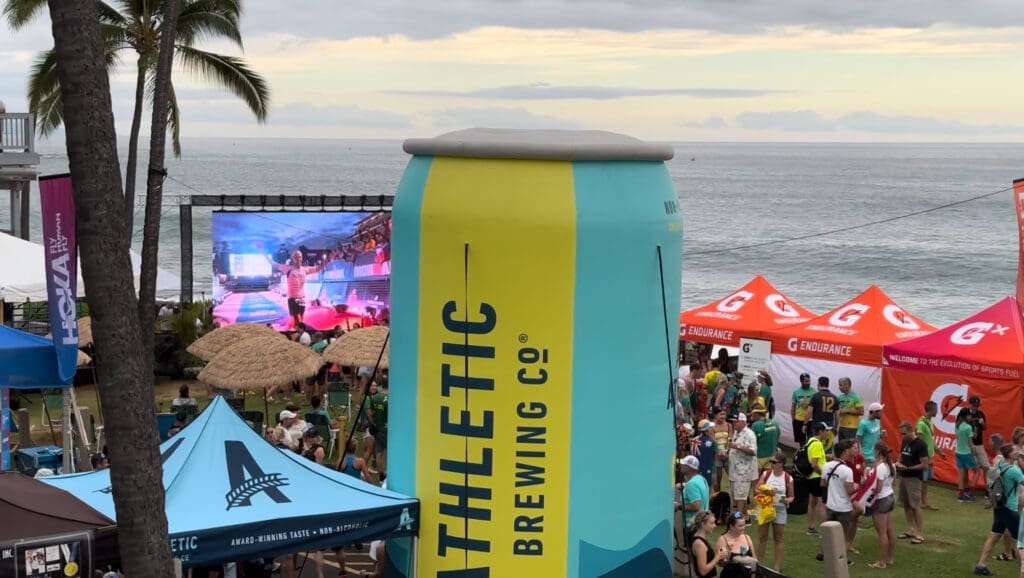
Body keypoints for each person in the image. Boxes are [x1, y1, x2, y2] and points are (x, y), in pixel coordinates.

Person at [974, 444, 1024, 576]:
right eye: (1015, 451)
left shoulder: (999, 465)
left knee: (994, 536)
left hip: (999, 507)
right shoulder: (1014, 470)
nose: (1018, 452)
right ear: (1009, 455)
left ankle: (981, 565)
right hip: (1010, 509)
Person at [270, 249, 339, 330]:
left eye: (300, 256)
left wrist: (329, 259)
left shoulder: (305, 269)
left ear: (302, 258)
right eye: (296, 257)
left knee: (302, 319)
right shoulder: (288, 269)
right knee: (296, 320)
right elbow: (273, 264)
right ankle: (295, 333)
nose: (298, 258)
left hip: (302, 298)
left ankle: (302, 334)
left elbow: (319, 268)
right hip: (292, 299)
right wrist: (262, 251)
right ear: (293, 259)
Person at [816, 439, 856, 564]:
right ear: (844, 452)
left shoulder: (827, 466)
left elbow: (822, 483)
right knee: (842, 534)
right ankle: (841, 558)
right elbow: (850, 491)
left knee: (828, 531)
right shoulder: (847, 470)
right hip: (843, 506)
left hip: (830, 504)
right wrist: (858, 486)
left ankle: (822, 552)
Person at [755, 451, 794, 571]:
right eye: (771, 461)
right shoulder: (766, 474)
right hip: (765, 508)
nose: (771, 463)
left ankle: (776, 568)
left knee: (778, 538)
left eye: (774, 462)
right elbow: (756, 490)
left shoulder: (788, 478)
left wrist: (787, 501)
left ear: (781, 464)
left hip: (780, 509)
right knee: (762, 537)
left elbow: (792, 496)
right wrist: (767, 492)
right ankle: (759, 565)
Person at [896, 420, 929, 544]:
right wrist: (898, 463)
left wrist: (909, 468)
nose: (902, 437)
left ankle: (920, 533)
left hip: (914, 479)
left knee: (915, 505)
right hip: (904, 477)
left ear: (911, 431)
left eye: (904, 434)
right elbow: (901, 454)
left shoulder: (920, 444)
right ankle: (911, 529)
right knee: (906, 504)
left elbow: (925, 465)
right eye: (901, 434)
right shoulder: (905, 441)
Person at [869, 440, 897, 569]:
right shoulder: (890, 465)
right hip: (891, 497)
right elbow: (893, 482)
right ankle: (889, 558)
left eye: (874, 450)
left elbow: (878, 489)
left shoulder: (880, 468)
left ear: (878, 451)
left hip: (881, 499)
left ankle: (881, 562)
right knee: (889, 530)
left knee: (882, 533)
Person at [727, 413, 758, 516]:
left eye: (735, 421)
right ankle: (745, 518)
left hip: (743, 471)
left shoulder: (749, 434)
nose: (733, 423)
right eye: (733, 421)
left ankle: (738, 518)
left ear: (743, 422)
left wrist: (738, 446)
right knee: (737, 496)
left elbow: (753, 451)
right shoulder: (736, 433)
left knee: (740, 497)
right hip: (734, 470)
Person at [917, 400, 945, 510]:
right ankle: (919, 501)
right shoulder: (921, 423)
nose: (938, 411)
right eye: (936, 409)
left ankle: (924, 501)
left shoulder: (930, 422)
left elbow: (931, 440)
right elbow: (920, 443)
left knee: (925, 480)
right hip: (925, 457)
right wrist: (926, 458)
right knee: (921, 480)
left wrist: (939, 451)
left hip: (930, 456)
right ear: (931, 409)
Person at [805, 422, 830, 535]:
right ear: (820, 431)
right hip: (817, 477)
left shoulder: (810, 441)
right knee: (822, 503)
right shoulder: (817, 444)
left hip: (811, 477)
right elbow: (814, 464)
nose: (827, 433)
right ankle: (824, 530)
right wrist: (823, 474)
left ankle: (810, 527)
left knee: (812, 502)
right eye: (826, 431)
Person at [963, 395, 991, 493]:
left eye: (977, 405)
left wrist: (982, 423)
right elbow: (960, 427)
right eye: (974, 405)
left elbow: (985, 428)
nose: (976, 407)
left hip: (979, 444)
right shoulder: (964, 413)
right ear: (969, 404)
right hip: (969, 444)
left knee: (986, 466)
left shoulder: (980, 414)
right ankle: (968, 490)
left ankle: (988, 489)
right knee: (974, 469)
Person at [716, 511, 757, 577]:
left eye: (744, 525)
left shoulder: (747, 538)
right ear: (731, 526)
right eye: (740, 526)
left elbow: (754, 558)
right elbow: (720, 564)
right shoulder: (723, 540)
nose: (743, 527)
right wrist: (728, 553)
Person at [690, 510, 727, 578]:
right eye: (712, 523)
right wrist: (718, 557)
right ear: (703, 524)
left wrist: (720, 558)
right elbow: (703, 571)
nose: (715, 526)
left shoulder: (701, 539)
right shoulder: (699, 544)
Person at [678, 455, 711, 528]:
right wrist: (684, 485)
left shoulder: (691, 484)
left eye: (683, 464)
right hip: (702, 522)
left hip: (692, 524)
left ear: (689, 468)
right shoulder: (701, 479)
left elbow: (696, 506)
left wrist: (678, 506)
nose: (681, 465)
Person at [806, 376, 839, 442]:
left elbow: (809, 412)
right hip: (829, 427)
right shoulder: (835, 397)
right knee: (827, 448)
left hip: (817, 427)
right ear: (828, 385)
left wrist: (805, 424)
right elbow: (837, 415)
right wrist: (835, 426)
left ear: (819, 384)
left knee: (814, 446)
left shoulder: (815, 396)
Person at [956, 410, 979, 502]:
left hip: (958, 452)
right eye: (969, 415)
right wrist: (974, 452)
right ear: (966, 416)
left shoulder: (959, 426)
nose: (971, 417)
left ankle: (961, 495)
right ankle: (970, 493)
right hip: (967, 453)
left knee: (961, 474)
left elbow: (959, 437)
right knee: (977, 471)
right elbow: (970, 442)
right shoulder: (969, 427)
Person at [750, 403, 779, 473]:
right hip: (772, 455)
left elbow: (752, 441)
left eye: (752, 414)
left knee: (756, 480)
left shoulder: (755, 425)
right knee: (767, 478)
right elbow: (777, 437)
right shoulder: (775, 423)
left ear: (756, 414)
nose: (751, 416)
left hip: (759, 456)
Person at [857, 402, 885, 469]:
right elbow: (858, 439)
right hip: (867, 456)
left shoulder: (877, 421)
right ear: (874, 412)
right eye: (880, 412)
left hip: (876, 455)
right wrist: (859, 453)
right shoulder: (863, 423)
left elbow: (876, 436)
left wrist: (881, 435)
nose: (882, 414)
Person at [711, 409, 732, 493]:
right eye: (721, 414)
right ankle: (717, 496)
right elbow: (713, 441)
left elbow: (730, 439)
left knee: (732, 477)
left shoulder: (729, 425)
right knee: (718, 479)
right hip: (717, 455)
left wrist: (727, 451)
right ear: (716, 415)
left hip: (727, 454)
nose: (723, 416)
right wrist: (719, 452)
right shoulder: (712, 427)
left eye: (724, 414)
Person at [791, 372, 814, 445]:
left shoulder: (814, 391)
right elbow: (793, 406)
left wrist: (807, 404)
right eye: (806, 381)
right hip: (799, 419)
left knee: (811, 440)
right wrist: (793, 419)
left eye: (809, 381)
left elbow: (816, 405)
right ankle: (802, 455)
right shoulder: (796, 392)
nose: (808, 383)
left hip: (811, 420)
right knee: (801, 442)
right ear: (801, 381)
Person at [694, 419, 717, 488]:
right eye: (710, 428)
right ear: (707, 429)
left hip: (697, 471)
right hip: (710, 470)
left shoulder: (694, 441)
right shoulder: (712, 442)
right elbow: (715, 455)